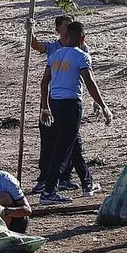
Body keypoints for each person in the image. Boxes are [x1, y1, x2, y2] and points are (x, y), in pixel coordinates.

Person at [39, 21, 111, 203]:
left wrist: (45, 106)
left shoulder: (55, 55)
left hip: (55, 104)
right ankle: (49, 191)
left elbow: (44, 81)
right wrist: (102, 105)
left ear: (67, 36)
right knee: (63, 148)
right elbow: (89, 82)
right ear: (82, 38)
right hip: (71, 105)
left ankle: (87, 183)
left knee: (72, 143)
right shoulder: (82, 56)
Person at [30, 14, 90, 193]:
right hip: (53, 101)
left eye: (70, 26)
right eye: (65, 26)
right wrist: (30, 30)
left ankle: (66, 178)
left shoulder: (82, 49)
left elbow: (87, 77)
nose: (68, 29)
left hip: (71, 101)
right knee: (50, 141)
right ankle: (46, 181)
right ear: (58, 29)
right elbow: (36, 46)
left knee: (72, 143)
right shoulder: (53, 48)